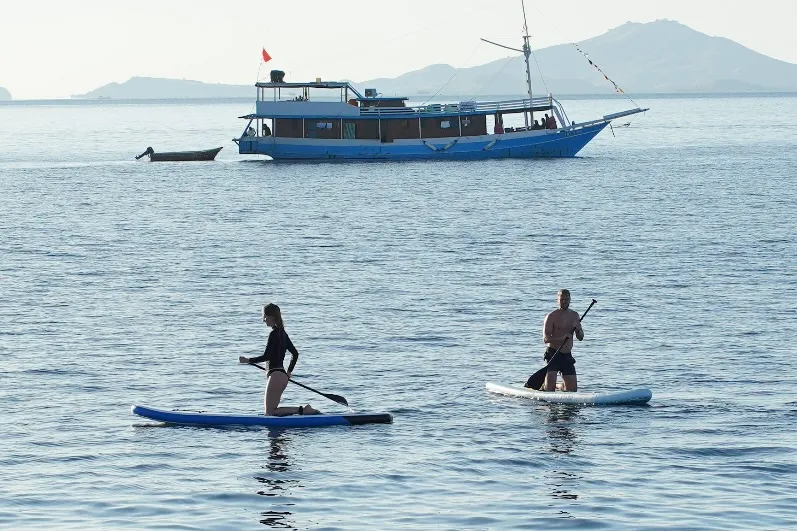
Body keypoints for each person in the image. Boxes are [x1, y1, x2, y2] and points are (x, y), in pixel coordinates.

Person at [239, 303, 319, 416]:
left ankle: (304, 410)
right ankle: (301, 412)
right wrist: (289, 372)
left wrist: (248, 360)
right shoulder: (283, 334)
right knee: (272, 412)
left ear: (271, 317)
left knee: (270, 413)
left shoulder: (274, 334)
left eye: (265, 317)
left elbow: (266, 356)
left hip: (276, 376)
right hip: (282, 376)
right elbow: (295, 354)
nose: (263, 320)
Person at [542, 289, 584, 392]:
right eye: (562, 299)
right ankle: (545, 385)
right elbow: (546, 339)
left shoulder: (575, 315)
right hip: (553, 354)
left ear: (570, 299)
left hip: (567, 355)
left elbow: (581, 337)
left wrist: (578, 330)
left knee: (572, 391)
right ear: (557, 300)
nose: (564, 301)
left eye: (567, 299)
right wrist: (561, 339)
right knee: (549, 390)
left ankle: (559, 386)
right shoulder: (551, 316)